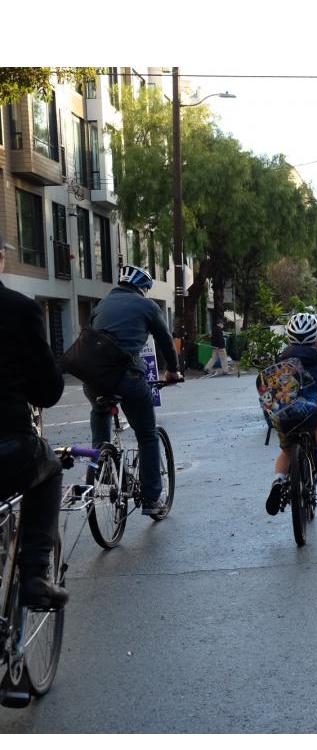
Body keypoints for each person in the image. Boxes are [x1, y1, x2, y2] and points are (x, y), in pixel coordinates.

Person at [0, 234, 68, 609]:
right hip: (8, 446)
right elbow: (48, 391)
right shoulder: (19, 309)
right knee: (49, 468)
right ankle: (35, 577)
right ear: (1, 260)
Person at [85, 264, 181, 518]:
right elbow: (165, 341)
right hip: (127, 376)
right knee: (147, 435)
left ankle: (105, 466)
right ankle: (151, 499)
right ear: (142, 288)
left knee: (99, 412)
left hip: (93, 378)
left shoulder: (100, 305)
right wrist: (173, 371)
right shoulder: (147, 306)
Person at [265, 313, 317, 515]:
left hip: (285, 416)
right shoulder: (316, 361)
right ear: (315, 338)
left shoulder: (281, 361)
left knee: (286, 452)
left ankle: (278, 480)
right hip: (310, 415)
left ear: (289, 337)